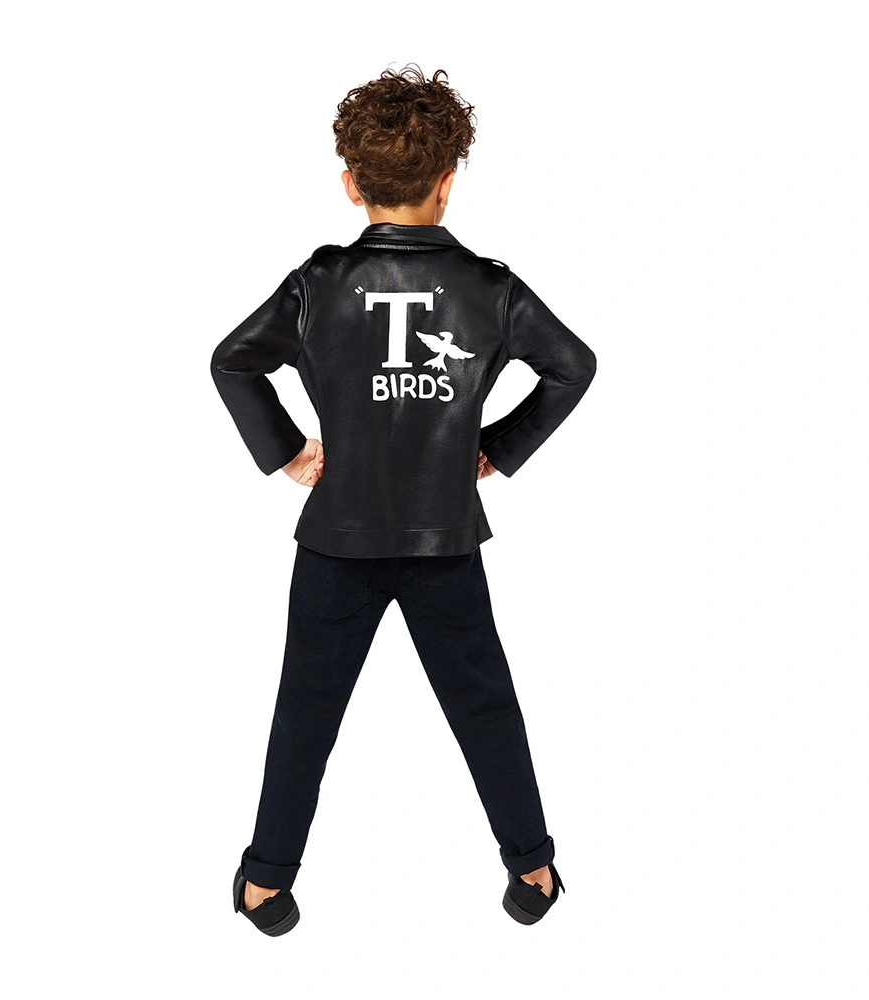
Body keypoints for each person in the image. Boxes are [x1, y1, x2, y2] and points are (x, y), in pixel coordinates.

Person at [210, 63, 597, 935]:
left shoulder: (317, 283)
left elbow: (232, 361)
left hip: (336, 539)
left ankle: (265, 882)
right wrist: (498, 447)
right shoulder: (491, 288)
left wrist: (288, 452)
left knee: (305, 711)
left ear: (351, 184)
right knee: (485, 705)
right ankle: (533, 867)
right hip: (443, 542)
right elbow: (573, 367)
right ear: (449, 183)